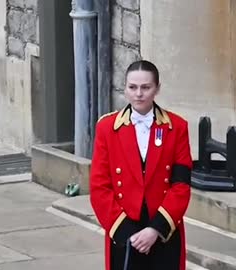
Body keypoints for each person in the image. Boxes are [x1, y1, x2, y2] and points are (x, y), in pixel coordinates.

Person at [90, 60, 192, 270]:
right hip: (125, 230)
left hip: (163, 230)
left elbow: (181, 186)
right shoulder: (107, 128)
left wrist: (155, 230)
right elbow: (99, 187)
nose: (139, 94)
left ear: (157, 89)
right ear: (125, 88)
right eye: (132, 87)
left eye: (146, 87)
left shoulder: (177, 127)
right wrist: (129, 234)